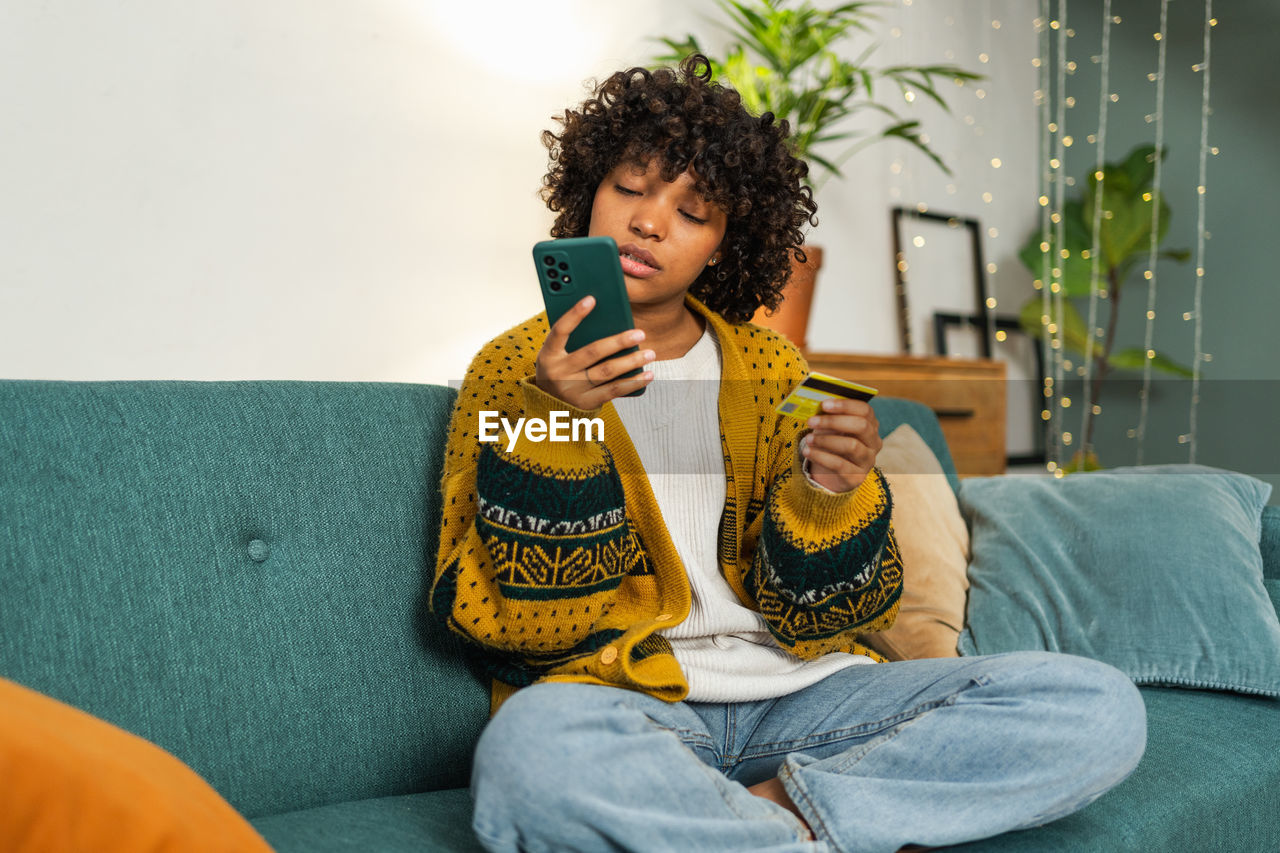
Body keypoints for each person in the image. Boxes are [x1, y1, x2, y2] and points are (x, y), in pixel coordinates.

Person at [430, 55, 1146, 853]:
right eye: (629, 188)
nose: (649, 221)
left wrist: (828, 491)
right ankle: (807, 832)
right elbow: (517, 622)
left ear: (725, 243)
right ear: (589, 189)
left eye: (693, 211)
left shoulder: (772, 372)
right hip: (632, 702)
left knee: (1097, 704)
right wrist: (556, 422)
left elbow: (832, 618)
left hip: (808, 699)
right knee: (530, 749)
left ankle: (776, 813)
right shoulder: (515, 369)